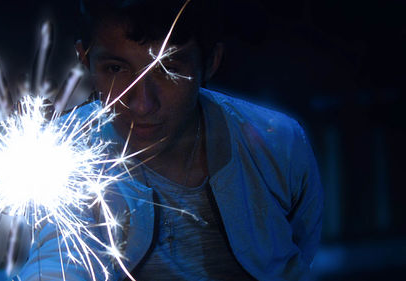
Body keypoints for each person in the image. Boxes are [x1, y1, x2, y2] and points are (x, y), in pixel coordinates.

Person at [18, 0, 323, 280]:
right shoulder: (63, 153)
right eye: (115, 69)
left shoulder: (277, 142)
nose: (141, 104)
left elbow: (299, 251)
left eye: (169, 70)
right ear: (85, 59)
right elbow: (57, 256)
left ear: (211, 62)